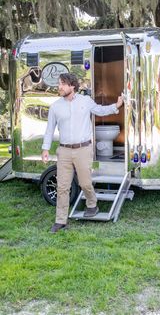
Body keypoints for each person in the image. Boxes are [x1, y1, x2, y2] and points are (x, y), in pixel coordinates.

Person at [41, 73, 124, 233]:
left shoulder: (85, 102)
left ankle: (92, 204)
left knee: (85, 183)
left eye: (63, 84)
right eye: (59, 84)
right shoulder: (56, 107)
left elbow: (100, 111)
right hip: (64, 151)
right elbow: (49, 129)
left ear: (72, 86)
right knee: (62, 186)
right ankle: (60, 221)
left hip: (83, 150)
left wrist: (116, 106)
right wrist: (45, 148)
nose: (60, 87)